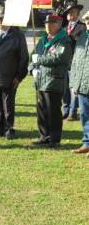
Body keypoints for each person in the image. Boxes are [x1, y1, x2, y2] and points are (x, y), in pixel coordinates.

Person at [29, 13, 72, 148]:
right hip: (41, 80)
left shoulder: (63, 40)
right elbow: (33, 56)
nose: (48, 25)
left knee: (53, 110)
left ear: (59, 25)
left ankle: (54, 138)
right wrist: (31, 68)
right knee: (41, 109)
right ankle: (44, 136)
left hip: (54, 80)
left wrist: (39, 60)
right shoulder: (43, 40)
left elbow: (60, 57)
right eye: (46, 23)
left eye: (51, 23)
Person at [0, 6, 29, 139]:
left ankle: (9, 129)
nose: (0, 22)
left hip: (10, 78)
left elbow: (24, 58)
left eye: (3, 19)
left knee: (8, 106)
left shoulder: (18, 36)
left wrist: (19, 76)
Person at [69, 10, 89, 158]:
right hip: (82, 85)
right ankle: (87, 143)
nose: (88, 22)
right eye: (87, 20)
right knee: (84, 115)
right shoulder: (82, 37)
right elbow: (75, 62)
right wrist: (74, 84)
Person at [61, 1, 86, 121]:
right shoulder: (64, 29)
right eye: (68, 12)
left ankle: (72, 112)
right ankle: (66, 111)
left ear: (78, 13)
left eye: (73, 12)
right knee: (65, 88)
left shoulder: (83, 27)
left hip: (75, 63)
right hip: (63, 63)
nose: (70, 14)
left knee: (74, 88)